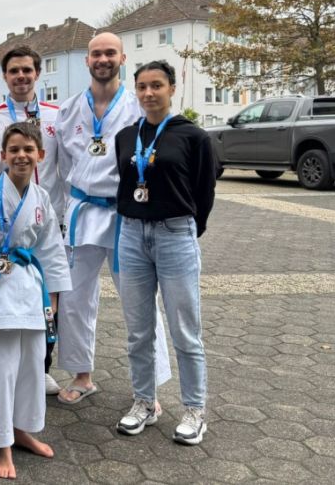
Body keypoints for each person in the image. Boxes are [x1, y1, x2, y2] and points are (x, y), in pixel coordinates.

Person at [52, 32, 172, 405]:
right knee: (73, 298)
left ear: (122, 58)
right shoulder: (69, 109)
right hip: (81, 212)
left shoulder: (140, 108)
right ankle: (81, 374)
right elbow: (60, 168)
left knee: (139, 299)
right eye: (95, 54)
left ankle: (150, 385)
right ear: (87, 61)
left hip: (126, 214)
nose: (102, 59)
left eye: (109, 53)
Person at [0, 122, 71, 479]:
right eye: (14, 150)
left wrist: (52, 298)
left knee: (31, 369)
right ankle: (0, 443)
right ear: (3, 155)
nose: (21, 155)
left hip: (29, 288)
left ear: (40, 155)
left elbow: (52, 248)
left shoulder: (41, 198)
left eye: (28, 149)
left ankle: (22, 430)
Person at [114, 60, 215, 445]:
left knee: (185, 330)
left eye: (156, 85)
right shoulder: (126, 137)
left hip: (175, 234)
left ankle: (194, 409)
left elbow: (204, 193)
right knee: (138, 331)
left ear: (172, 88)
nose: (148, 93)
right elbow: (126, 185)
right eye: (142, 86)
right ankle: (144, 402)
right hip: (132, 235)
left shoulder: (193, 137)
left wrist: (188, 228)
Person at [0, 45, 65, 394]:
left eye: (27, 70)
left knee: (47, 294)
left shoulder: (57, 115)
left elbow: (64, 167)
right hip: (8, 223)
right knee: (1, 297)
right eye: (14, 71)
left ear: (37, 74)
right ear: (5, 76)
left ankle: (41, 366)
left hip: (47, 218)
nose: (21, 76)